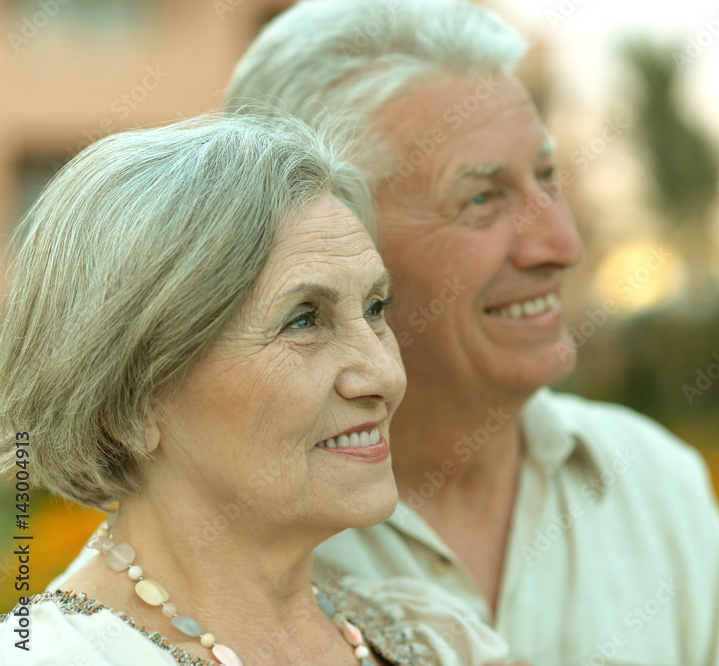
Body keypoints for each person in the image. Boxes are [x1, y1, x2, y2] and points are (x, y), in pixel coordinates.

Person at [224, 1, 719, 664]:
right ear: (322, 244)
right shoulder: (222, 542)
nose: (562, 245)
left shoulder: (652, 482)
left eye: (547, 177)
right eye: (481, 199)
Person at [0, 113, 511, 665]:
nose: (385, 376)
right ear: (130, 402)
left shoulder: (435, 638)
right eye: (304, 321)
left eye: (374, 309)